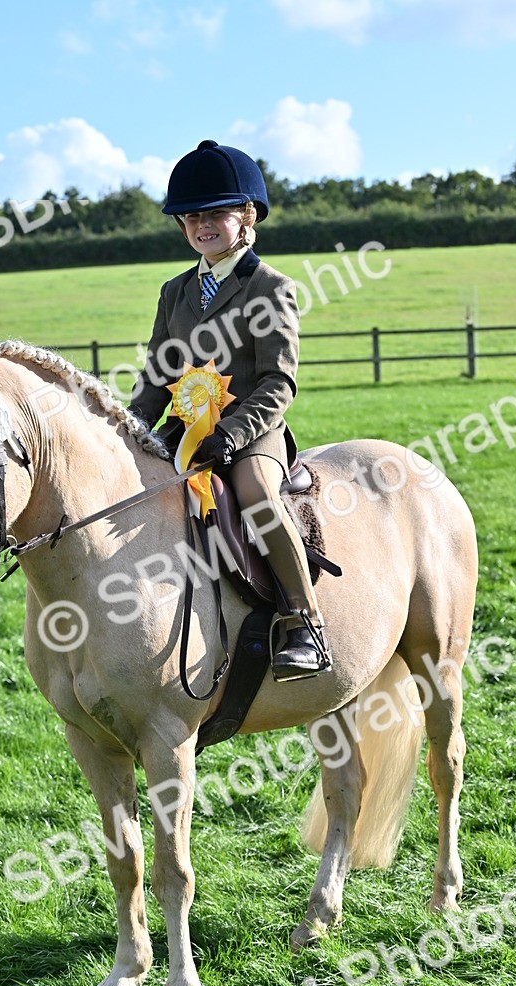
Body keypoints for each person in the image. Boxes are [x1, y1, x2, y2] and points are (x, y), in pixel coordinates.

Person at [128, 139, 331, 680]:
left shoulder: (270, 288)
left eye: (216, 212)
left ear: (248, 217)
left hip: (250, 434)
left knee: (256, 496)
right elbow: (156, 374)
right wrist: (128, 431)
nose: (202, 224)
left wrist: (234, 435)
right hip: (183, 429)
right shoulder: (174, 293)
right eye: (192, 216)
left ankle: (303, 622)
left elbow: (278, 381)